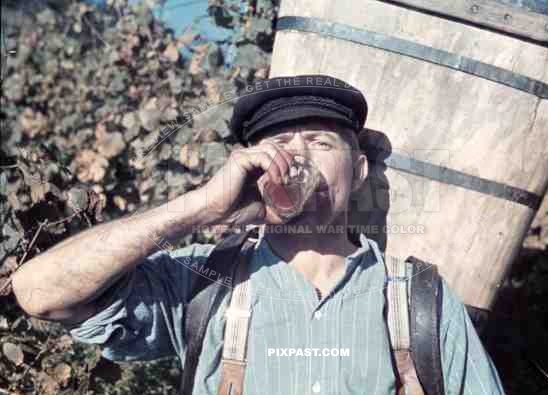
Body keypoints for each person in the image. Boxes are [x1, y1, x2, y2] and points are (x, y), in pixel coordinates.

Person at [12, 74, 505, 394]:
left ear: (357, 171)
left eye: (318, 141)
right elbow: (39, 292)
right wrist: (201, 207)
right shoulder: (204, 282)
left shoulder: (418, 299)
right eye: (278, 145)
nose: (297, 159)